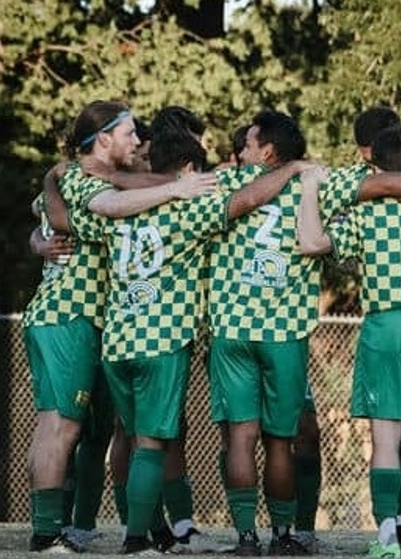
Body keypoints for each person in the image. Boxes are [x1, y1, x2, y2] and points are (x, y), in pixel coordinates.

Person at [90, 112, 310, 555]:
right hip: (163, 338)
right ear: (189, 171)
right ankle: (138, 540)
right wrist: (291, 168)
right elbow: (243, 202)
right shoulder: (189, 210)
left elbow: (92, 212)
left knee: (129, 438)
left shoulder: (113, 208)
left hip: (116, 340)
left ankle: (158, 531)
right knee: (153, 445)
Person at [21, 101, 217, 553]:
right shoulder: (77, 175)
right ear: (103, 138)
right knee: (60, 425)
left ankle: (140, 529)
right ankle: (47, 534)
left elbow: (48, 221)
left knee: (87, 429)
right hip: (67, 314)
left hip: (96, 322)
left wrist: (37, 241)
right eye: (128, 133)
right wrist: (178, 190)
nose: (136, 140)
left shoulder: (76, 177)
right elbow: (109, 205)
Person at [298, 126, 401, 559]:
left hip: (388, 323)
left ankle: (389, 534)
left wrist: (314, 196)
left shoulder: (367, 209)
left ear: (374, 167)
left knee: (387, 439)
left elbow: (315, 243)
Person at [204, 111, 319, 556]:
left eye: (249, 144)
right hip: (285, 331)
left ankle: (246, 537)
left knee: (240, 436)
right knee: (279, 441)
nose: (240, 153)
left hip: (232, 326)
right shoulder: (314, 184)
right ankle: (283, 536)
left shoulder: (229, 183)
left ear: (267, 151)